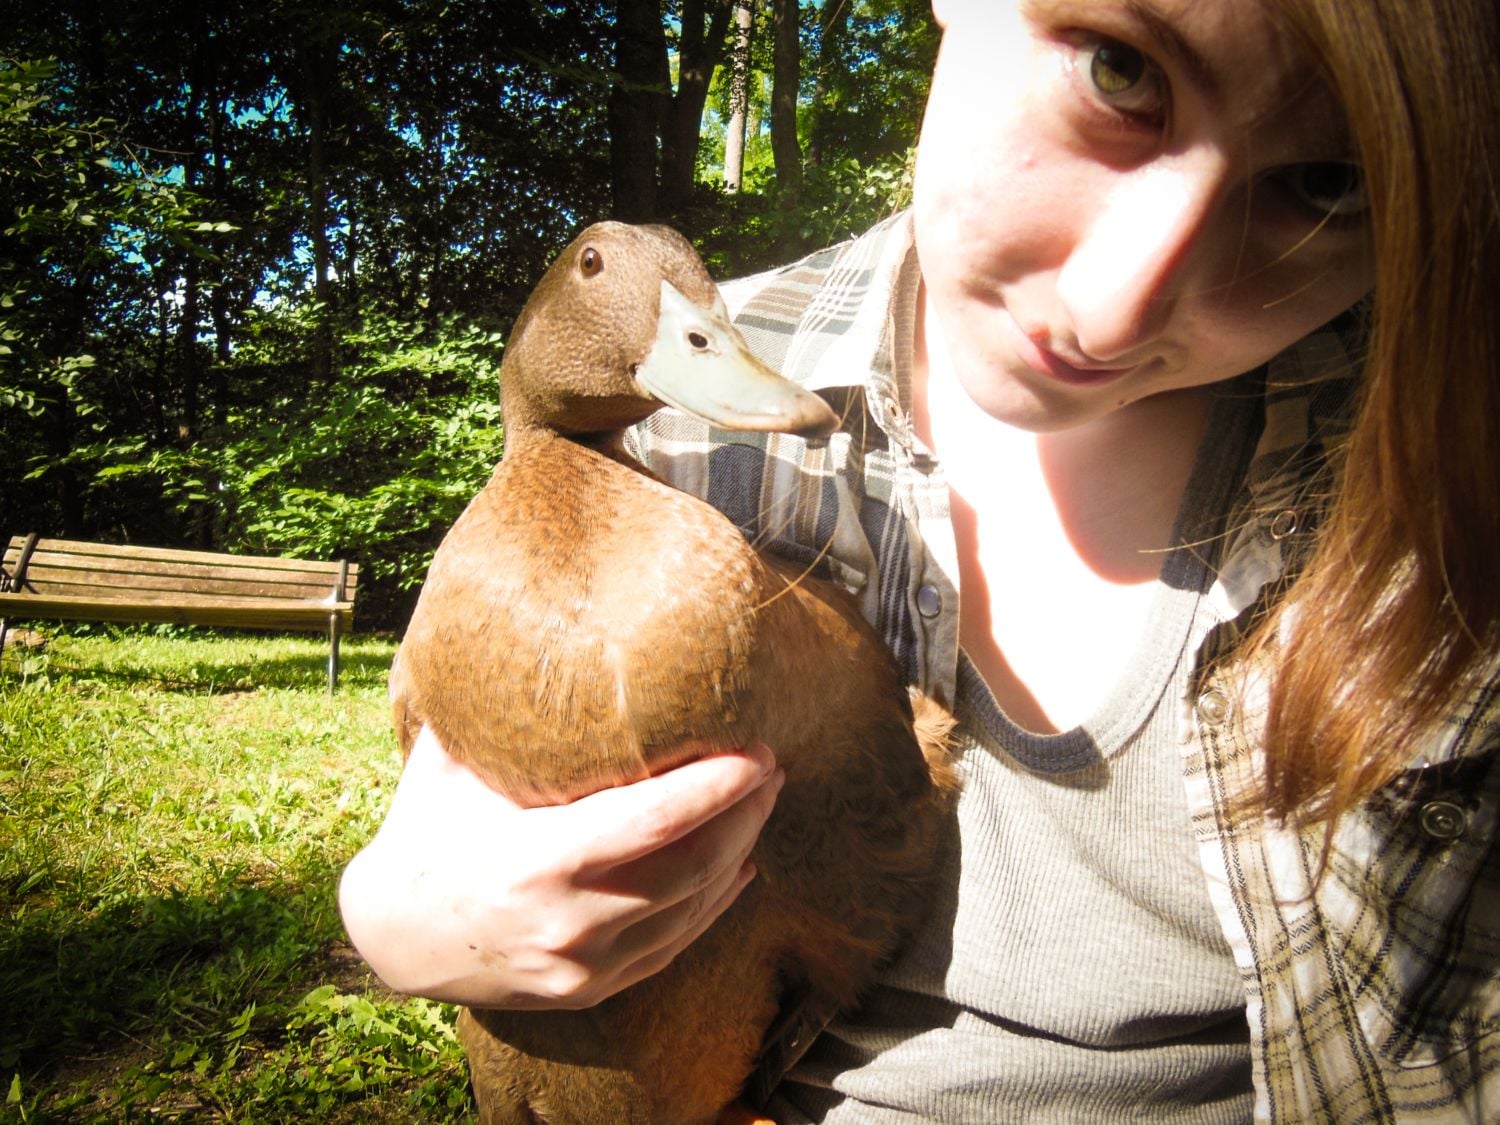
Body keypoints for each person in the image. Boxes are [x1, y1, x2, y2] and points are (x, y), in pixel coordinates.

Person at [339, 0, 1500, 1119]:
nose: (1113, 307)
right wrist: (398, 920)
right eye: (1120, 71)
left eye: (1326, 184)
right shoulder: (668, 423)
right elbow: (460, 803)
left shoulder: (1449, 483)